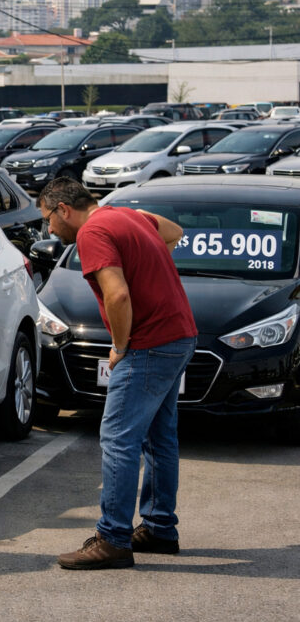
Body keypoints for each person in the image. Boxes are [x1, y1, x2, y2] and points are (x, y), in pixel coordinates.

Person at [38, 177, 197, 570]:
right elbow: (175, 232)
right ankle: (160, 529)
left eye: (48, 220)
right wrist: (148, 270)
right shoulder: (127, 215)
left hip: (149, 344)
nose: (49, 230)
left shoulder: (92, 232)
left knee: (118, 439)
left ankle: (112, 539)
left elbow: (118, 294)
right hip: (180, 334)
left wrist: (121, 345)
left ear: (64, 209)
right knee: (160, 437)